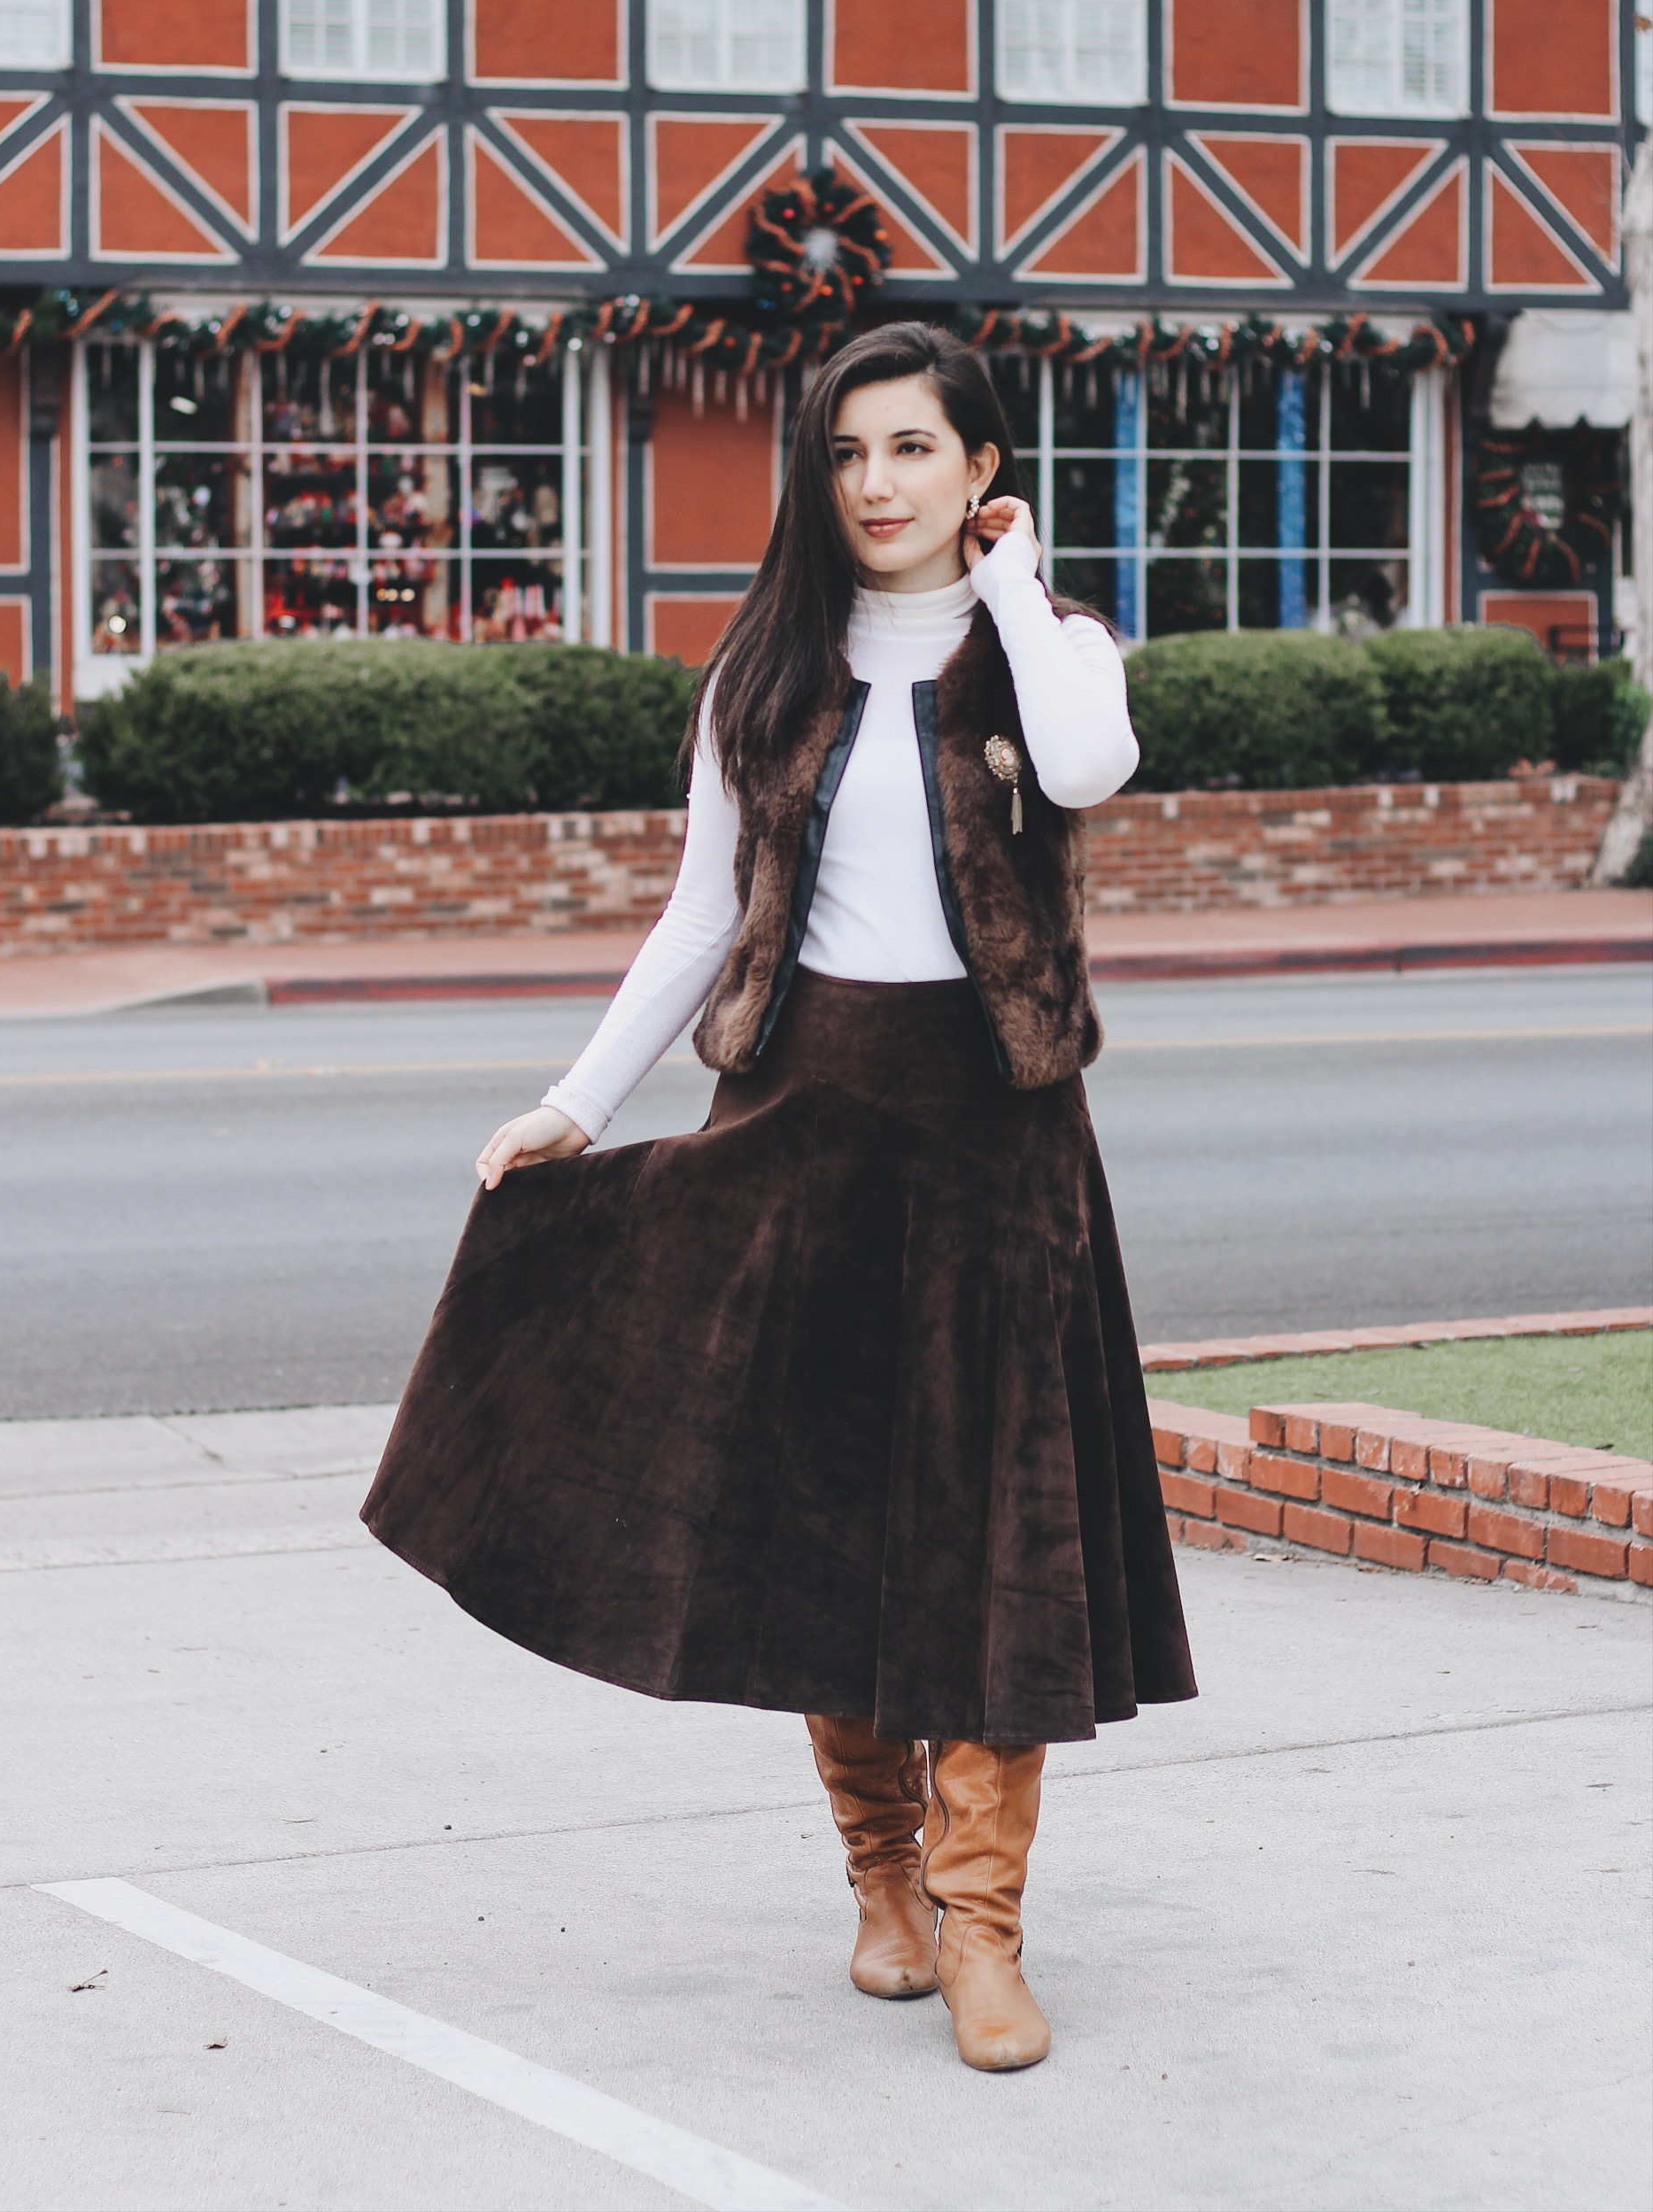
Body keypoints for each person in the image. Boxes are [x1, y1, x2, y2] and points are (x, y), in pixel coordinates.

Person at [363, 322, 1196, 2074]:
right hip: (800, 1122)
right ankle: (884, 1885)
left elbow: (1090, 769)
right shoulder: (765, 670)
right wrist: (575, 1104)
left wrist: (1019, 581)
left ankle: (986, 1930)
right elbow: (698, 916)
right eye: (849, 454)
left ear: (978, 467)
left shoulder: (1055, 653)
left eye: (914, 449)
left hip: (994, 1152)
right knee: (827, 1517)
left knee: (990, 1534)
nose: (877, 483)